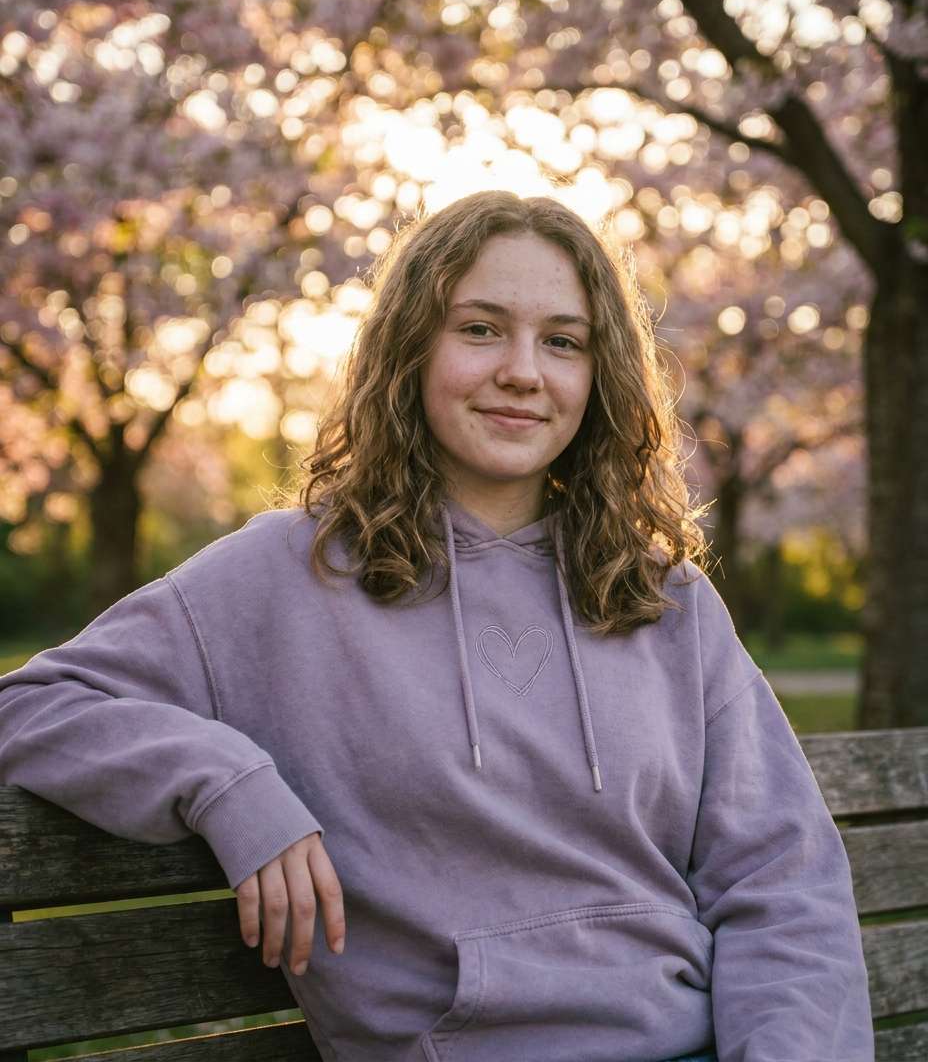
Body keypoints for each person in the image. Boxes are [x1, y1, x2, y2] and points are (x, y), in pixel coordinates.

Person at [0, 190, 873, 1062]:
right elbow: (36, 704)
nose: (524, 371)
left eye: (562, 341)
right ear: (410, 349)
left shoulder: (660, 596)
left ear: (598, 376)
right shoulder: (287, 573)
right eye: (481, 329)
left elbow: (782, 879)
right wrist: (227, 783)